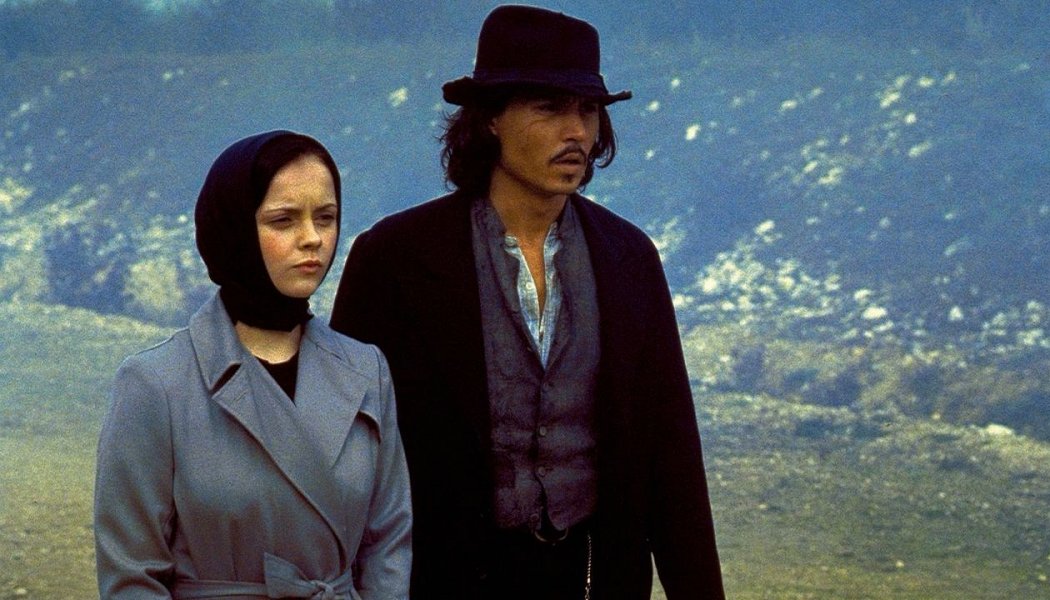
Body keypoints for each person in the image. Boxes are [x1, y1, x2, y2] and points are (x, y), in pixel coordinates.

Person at [330, 5, 724, 600]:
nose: (577, 133)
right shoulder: (395, 259)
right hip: (444, 581)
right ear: (491, 118)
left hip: (594, 578)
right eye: (549, 108)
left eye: (587, 110)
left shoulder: (629, 258)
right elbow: (350, 451)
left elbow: (671, 453)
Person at [94, 130, 412, 599]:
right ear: (233, 229)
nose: (312, 239)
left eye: (326, 218)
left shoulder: (366, 370)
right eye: (283, 220)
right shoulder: (155, 383)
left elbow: (389, 545)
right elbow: (132, 577)